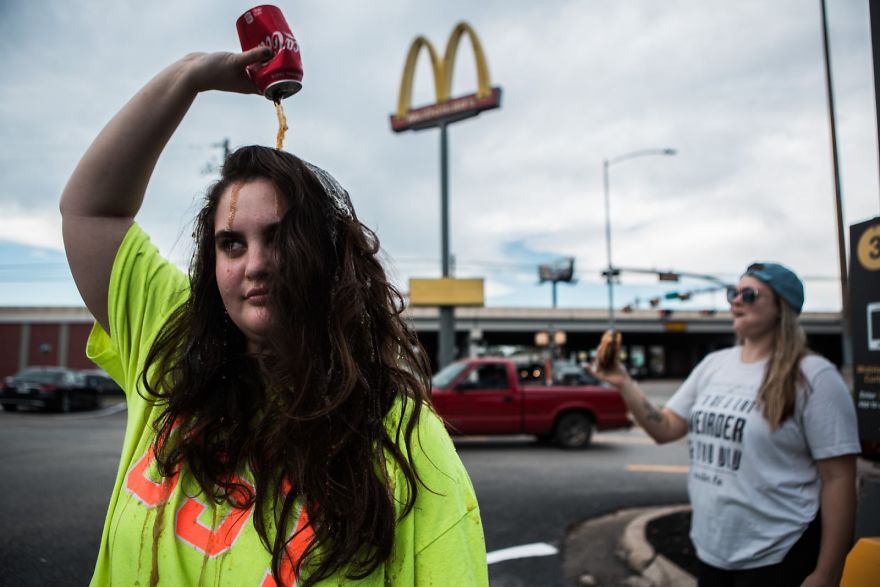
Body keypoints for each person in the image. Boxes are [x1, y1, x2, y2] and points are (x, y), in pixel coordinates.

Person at [61, 48, 488, 586]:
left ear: (327, 256)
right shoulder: (173, 350)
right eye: (232, 244)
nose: (256, 264)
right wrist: (189, 76)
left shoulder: (402, 435)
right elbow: (90, 211)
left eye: (280, 237)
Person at [593, 262, 860, 587]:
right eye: (733, 292)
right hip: (712, 550)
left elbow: (839, 477)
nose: (735, 300)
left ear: (782, 307)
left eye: (749, 294)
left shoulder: (814, 376)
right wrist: (623, 382)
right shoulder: (714, 365)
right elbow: (665, 428)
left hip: (779, 553)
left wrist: (828, 572)